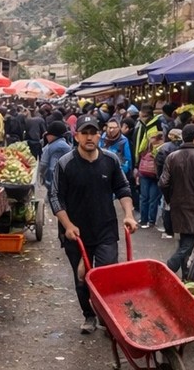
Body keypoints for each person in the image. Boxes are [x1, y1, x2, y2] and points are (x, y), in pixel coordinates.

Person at [48, 115, 138, 335]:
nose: (89, 137)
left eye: (93, 132)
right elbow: (55, 197)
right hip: (75, 232)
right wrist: (67, 225)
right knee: (82, 279)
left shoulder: (111, 160)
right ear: (76, 135)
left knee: (107, 276)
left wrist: (128, 214)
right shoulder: (65, 163)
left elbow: (123, 189)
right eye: (84, 133)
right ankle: (89, 315)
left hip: (105, 228)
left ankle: (108, 318)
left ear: (100, 134)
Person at [159, 123, 194, 275]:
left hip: (177, 206)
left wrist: (170, 199)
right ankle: (167, 270)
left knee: (184, 241)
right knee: (187, 245)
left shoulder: (172, 157)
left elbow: (163, 182)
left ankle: (186, 276)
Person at [100, 117, 134, 207]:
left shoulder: (123, 140)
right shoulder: (102, 138)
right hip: (102, 170)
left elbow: (128, 158)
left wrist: (124, 170)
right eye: (109, 127)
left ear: (118, 128)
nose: (111, 130)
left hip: (118, 171)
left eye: (113, 128)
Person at [136, 132, 165, 229]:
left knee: (147, 198)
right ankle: (148, 220)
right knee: (150, 198)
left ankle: (146, 219)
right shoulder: (158, 148)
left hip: (148, 175)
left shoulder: (152, 148)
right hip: (151, 175)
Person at [39, 121, 71, 194]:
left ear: (53, 135)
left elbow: (46, 165)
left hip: (54, 183)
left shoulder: (56, 147)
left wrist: (42, 174)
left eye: (48, 135)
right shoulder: (63, 144)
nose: (46, 137)